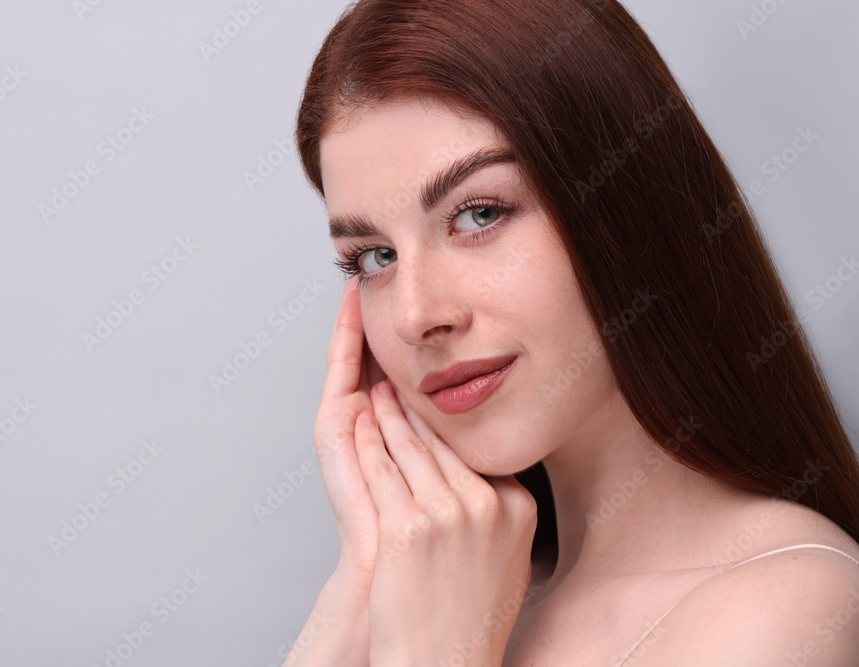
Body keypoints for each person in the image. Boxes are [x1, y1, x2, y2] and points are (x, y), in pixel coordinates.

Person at [284, 1, 859, 664]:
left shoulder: (784, 611)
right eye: (374, 258)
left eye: (479, 214)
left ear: (627, 203)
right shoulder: (442, 601)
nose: (414, 316)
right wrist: (355, 594)